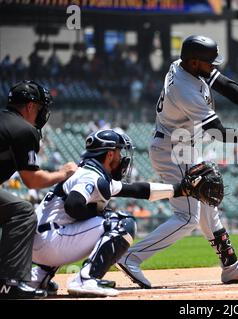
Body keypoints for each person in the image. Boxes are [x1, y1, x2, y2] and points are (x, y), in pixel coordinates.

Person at [117, 35, 238, 288]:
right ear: (195, 62)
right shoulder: (184, 90)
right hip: (174, 151)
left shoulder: (184, 65)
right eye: (209, 62)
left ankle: (231, 268)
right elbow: (219, 133)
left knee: (209, 211)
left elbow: (226, 85)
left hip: (184, 148)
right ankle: (131, 256)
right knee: (188, 217)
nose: (213, 66)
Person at [29, 129, 208, 297]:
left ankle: (38, 278)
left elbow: (138, 190)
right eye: (119, 151)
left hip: (40, 244)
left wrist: (180, 189)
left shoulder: (91, 173)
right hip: (52, 241)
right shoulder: (90, 176)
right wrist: (97, 214)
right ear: (110, 154)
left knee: (96, 219)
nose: (122, 157)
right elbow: (73, 205)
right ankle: (86, 279)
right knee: (122, 222)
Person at [0, 80, 77, 299]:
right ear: (30, 106)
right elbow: (32, 180)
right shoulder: (23, 129)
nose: (43, 113)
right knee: (22, 212)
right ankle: (9, 283)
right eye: (41, 107)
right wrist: (63, 173)